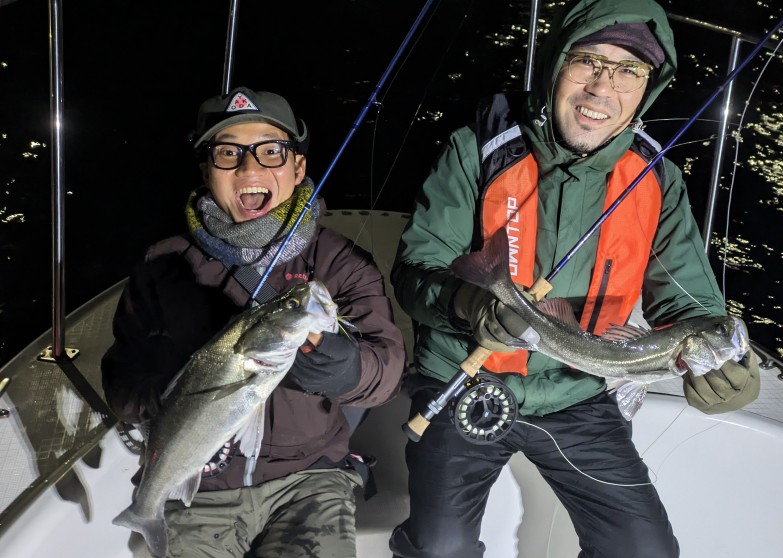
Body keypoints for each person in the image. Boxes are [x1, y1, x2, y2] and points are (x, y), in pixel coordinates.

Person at [388, 0, 760, 557]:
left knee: (645, 551)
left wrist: (730, 374)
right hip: (466, 379)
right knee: (438, 547)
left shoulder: (657, 179)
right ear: (555, 65)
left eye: (629, 70)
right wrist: (468, 304)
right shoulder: (477, 148)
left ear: (649, 88)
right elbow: (414, 273)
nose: (602, 88)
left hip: (580, 394)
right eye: (588, 61)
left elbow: (693, 307)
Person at [101, 86, 406, 558]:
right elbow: (122, 375)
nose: (249, 168)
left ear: (298, 167)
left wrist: (347, 369)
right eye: (228, 153)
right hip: (200, 481)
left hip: (310, 479)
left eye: (271, 151)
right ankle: (146, 513)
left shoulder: (341, 262)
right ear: (206, 170)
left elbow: (385, 372)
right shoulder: (163, 264)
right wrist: (167, 395)